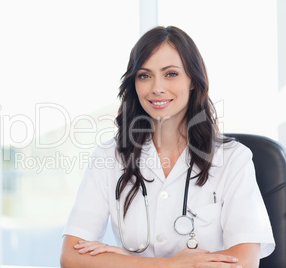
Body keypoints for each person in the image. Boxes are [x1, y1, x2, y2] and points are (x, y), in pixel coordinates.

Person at [60, 26, 275, 268]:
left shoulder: (233, 158)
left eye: (171, 74)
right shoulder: (110, 156)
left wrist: (125, 261)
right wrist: (173, 265)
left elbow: (243, 262)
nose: (156, 87)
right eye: (144, 75)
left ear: (193, 80)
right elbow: (71, 257)